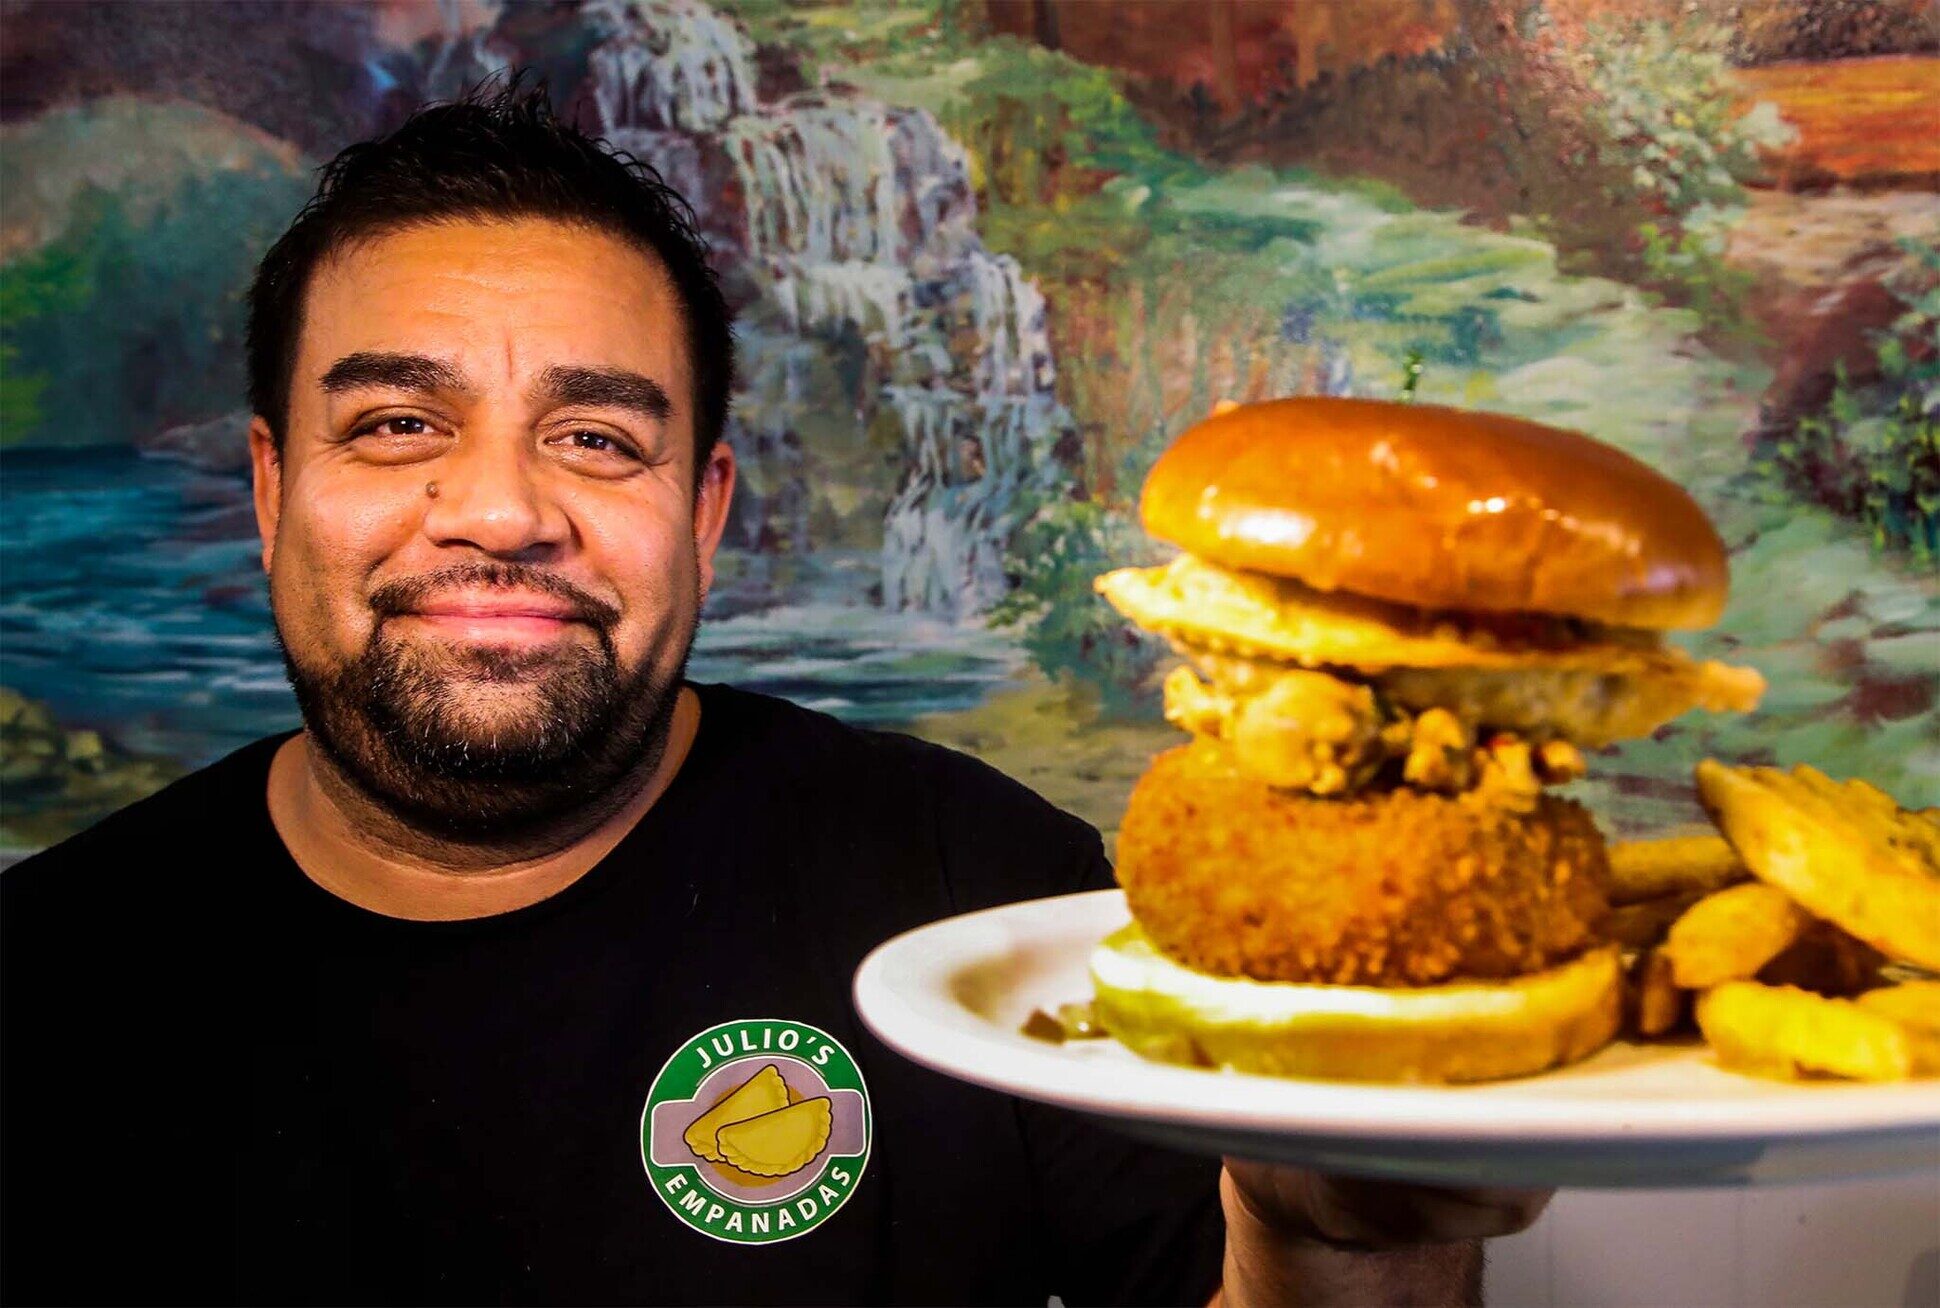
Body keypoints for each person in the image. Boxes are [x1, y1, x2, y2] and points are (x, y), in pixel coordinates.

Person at [0, 80, 1545, 1306]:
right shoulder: (45, 982)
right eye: (400, 423)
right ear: (271, 491)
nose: (499, 510)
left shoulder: (985, 901)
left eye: (598, 438)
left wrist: (1341, 1246)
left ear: (707, 510)